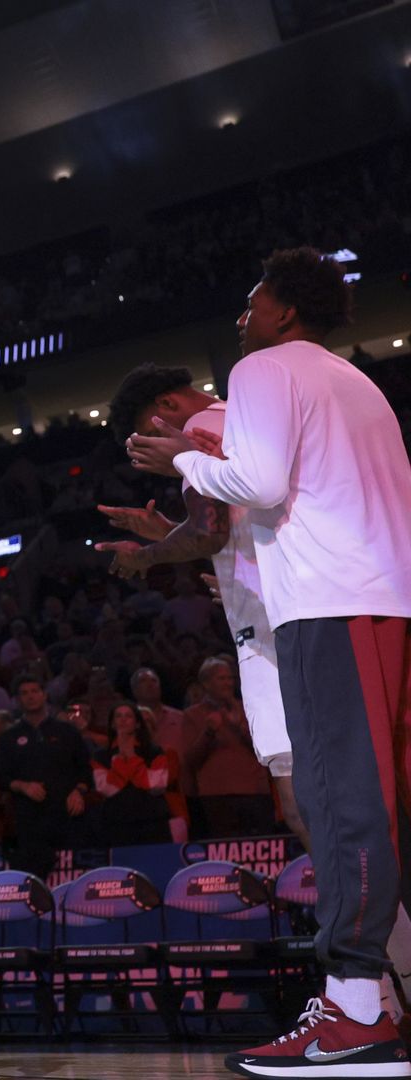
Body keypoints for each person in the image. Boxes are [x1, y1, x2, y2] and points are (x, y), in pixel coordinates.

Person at [129, 248, 411, 1075]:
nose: (242, 315)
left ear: (283, 310)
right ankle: (365, 1002)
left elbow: (254, 478)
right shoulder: (354, 381)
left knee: (343, 803)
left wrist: (176, 459)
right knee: (383, 799)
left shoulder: (259, 370)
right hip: (387, 598)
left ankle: (359, 1014)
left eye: (251, 300)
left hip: (330, 603)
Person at [101, 365, 300, 838]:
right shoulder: (242, 416)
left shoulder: (197, 430)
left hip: (271, 627)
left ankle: (363, 913)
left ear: (166, 408)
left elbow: (208, 533)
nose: (146, 453)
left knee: (299, 791)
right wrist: (170, 532)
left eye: (145, 437)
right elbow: (229, 527)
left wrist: (146, 556)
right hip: (294, 602)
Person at [0, 675, 91, 878]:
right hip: (30, 819)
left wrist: (79, 791)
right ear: (17, 700)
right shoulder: (8, 737)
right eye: (24, 693)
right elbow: (0, 776)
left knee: (71, 874)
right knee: (35, 877)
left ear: (45, 695)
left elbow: (85, 769)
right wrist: (21, 785)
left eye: (35, 691)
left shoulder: (67, 732)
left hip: (66, 813)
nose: (30, 697)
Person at [178, 658, 271, 839]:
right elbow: (190, 760)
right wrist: (209, 732)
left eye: (230, 678)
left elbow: (266, 751)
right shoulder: (192, 715)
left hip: (255, 793)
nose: (228, 683)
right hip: (216, 797)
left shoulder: (249, 708)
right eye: (221, 679)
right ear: (206, 683)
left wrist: (241, 728)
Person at [91, 702, 173, 844]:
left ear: (137, 724)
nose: (123, 719)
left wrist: (131, 758)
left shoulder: (154, 752)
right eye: (118, 716)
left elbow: (156, 786)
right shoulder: (100, 756)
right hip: (115, 824)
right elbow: (106, 789)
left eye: (128, 716)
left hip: (152, 822)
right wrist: (121, 761)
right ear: (112, 724)